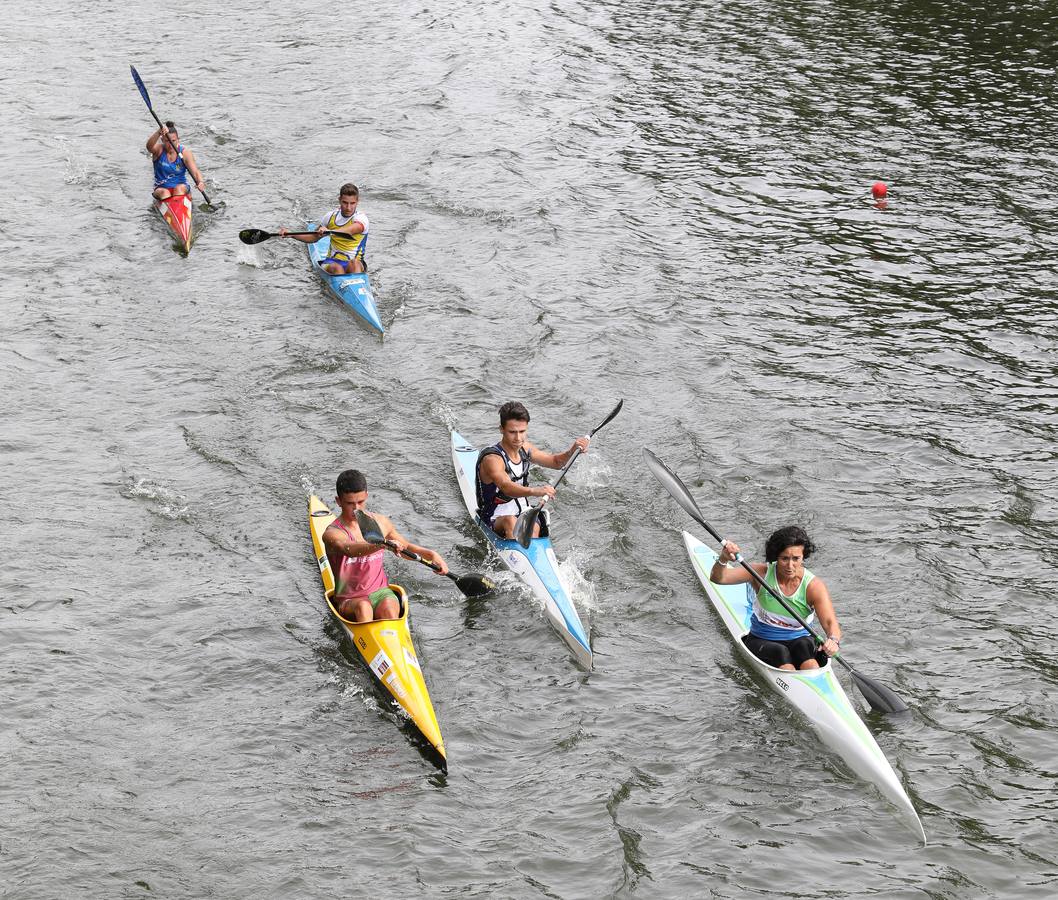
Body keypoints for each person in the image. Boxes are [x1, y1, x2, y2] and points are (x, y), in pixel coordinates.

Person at [709, 525, 842, 671]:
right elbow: (718, 578)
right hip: (762, 639)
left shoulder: (813, 586)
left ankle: (814, 681)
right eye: (784, 558)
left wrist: (833, 640)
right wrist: (723, 558)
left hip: (800, 640)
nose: (790, 566)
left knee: (806, 650)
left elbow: (830, 623)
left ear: (803, 557)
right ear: (775, 557)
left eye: (796, 559)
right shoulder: (760, 573)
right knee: (781, 653)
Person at [322, 469, 448, 623]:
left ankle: (392, 642)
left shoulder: (381, 522)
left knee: (389, 607)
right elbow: (349, 550)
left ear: (367, 496)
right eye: (350, 503)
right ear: (338, 501)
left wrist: (431, 554)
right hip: (350, 599)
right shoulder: (333, 533)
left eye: (360, 502)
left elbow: (404, 547)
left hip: (380, 593)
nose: (356, 509)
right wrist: (382, 545)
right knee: (363, 607)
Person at [474, 401, 590, 540]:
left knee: (534, 527)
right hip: (494, 518)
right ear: (501, 429)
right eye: (512, 432)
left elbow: (556, 462)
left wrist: (572, 451)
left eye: (522, 431)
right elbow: (506, 487)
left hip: (524, 514)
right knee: (510, 522)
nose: (518, 438)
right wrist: (536, 491)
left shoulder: (526, 449)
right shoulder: (492, 459)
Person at [280, 183, 369, 274]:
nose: (349, 208)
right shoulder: (330, 217)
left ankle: (357, 284)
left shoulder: (362, 218)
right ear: (339, 200)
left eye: (352, 203)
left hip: (355, 264)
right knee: (337, 268)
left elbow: (350, 230)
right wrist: (291, 234)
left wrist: (330, 231)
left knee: (354, 263)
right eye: (345, 203)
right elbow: (313, 237)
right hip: (332, 262)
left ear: (357, 201)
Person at [147, 121, 206, 201]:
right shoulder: (158, 150)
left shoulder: (185, 153)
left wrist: (200, 182)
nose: (170, 144)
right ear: (163, 140)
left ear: (178, 140)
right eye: (167, 141)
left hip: (181, 187)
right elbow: (149, 147)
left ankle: (179, 206)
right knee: (164, 193)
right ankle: (169, 208)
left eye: (173, 141)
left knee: (179, 189)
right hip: (161, 188)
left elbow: (195, 171)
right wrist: (158, 132)